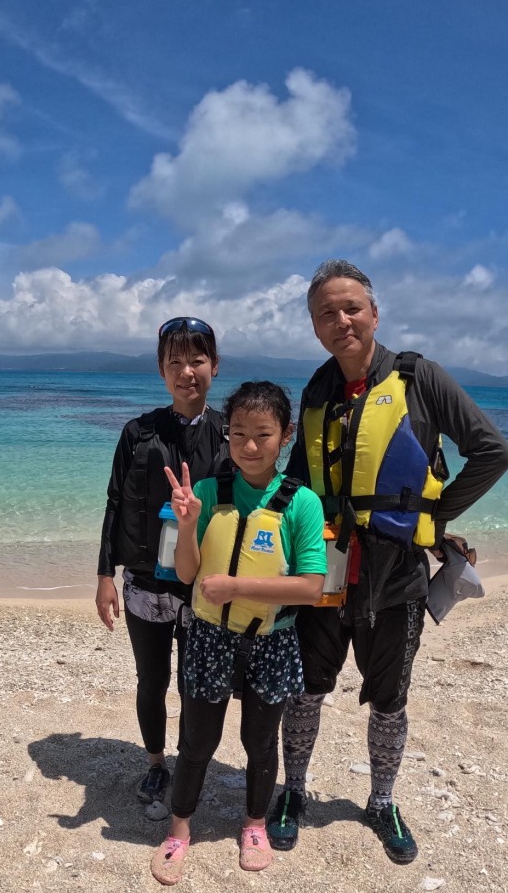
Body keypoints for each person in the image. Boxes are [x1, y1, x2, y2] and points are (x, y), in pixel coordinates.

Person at [266, 259, 508, 864]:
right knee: (307, 692)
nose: (340, 320)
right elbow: (299, 480)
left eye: (351, 308)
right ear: (315, 327)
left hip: (395, 578)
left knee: (391, 699)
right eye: (327, 312)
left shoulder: (419, 378)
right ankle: (293, 793)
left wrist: (435, 519)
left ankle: (381, 800)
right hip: (323, 570)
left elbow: (491, 450)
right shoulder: (317, 389)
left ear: (374, 314)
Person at [150, 382, 326, 884]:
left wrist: (236, 586)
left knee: (260, 741)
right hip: (209, 635)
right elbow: (186, 575)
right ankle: (180, 827)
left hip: (271, 640)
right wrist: (187, 527)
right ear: (227, 435)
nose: (249, 446)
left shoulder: (301, 503)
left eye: (263, 434)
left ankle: (253, 824)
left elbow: (312, 587)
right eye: (239, 434)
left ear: (286, 437)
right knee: (197, 739)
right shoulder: (206, 492)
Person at [96, 317, 228, 804]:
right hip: (145, 584)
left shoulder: (230, 436)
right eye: (175, 361)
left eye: (196, 360)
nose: (186, 371)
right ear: (160, 370)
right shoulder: (138, 432)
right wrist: (105, 575)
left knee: (196, 685)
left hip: (202, 586)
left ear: (214, 366)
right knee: (151, 680)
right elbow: (114, 503)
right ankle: (155, 762)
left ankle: (190, 764)